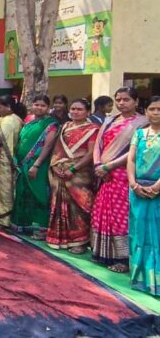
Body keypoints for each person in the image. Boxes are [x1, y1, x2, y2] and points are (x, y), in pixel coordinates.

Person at [92, 87, 148, 272]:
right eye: (118, 99)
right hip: (103, 174)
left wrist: (108, 166)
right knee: (102, 212)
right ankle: (103, 253)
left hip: (124, 174)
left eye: (126, 99)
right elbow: (98, 145)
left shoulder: (142, 123)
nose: (121, 103)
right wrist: (98, 165)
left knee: (121, 215)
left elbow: (134, 150)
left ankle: (123, 259)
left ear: (136, 102)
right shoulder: (109, 121)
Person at [46, 99, 99, 253]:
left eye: (79, 109)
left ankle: (80, 241)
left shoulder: (93, 129)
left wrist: (73, 169)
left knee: (80, 206)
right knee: (59, 205)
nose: (75, 112)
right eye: (73, 109)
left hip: (80, 174)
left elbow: (91, 153)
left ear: (88, 112)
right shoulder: (65, 126)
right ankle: (60, 238)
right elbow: (56, 150)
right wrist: (55, 166)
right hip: (60, 172)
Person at [12, 94, 60, 236]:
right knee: (22, 192)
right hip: (22, 164)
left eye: (43, 105)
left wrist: (37, 164)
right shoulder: (28, 121)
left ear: (48, 107)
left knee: (37, 193)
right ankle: (22, 224)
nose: (39, 108)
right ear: (32, 105)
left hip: (38, 164)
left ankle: (39, 227)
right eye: (36, 104)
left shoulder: (51, 124)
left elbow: (48, 145)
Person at [127, 95, 160, 295]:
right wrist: (133, 184)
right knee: (138, 233)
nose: (156, 113)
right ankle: (140, 278)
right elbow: (131, 160)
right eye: (152, 109)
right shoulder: (139, 134)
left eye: (159, 109)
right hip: (137, 190)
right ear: (146, 112)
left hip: (158, 191)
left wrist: (156, 187)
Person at [0, 95, 25, 228]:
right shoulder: (5, 118)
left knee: (4, 189)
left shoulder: (10, 120)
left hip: (5, 159)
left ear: (8, 107)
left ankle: (4, 219)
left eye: (0, 108)